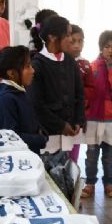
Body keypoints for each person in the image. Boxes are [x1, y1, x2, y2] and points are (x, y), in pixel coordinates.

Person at [80, 30, 112, 199]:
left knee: (109, 156)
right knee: (92, 154)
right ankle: (90, 183)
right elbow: (86, 91)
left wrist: (111, 69)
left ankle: (109, 183)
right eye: (107, 46)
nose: (110, 50)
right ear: (101, 48)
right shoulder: (91, 67)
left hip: (111, 119)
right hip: (93, 117)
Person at [29, 15, 85, 154]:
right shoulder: (37, 65)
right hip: (48, 134)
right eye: (67, 35)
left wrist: (78, 120)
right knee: (51, 171)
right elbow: (37, 104)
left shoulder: (70, 61)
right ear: (52, 37)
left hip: (70, 131)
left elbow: (79, 93)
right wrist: (61, 125)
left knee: (69, 168)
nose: (71, 39)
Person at [0, 46, 47, 154]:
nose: (33, 70)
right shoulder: (5, 100)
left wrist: (40, 130)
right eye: (28, 66)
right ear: (11, 73)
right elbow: (8, 139)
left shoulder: (18, 92)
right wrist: (39, 139)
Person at [66, 24, 91, 163]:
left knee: (75, 147)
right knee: (61, 150)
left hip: (79, 114)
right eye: (73, 41)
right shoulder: (60, 62)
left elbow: (90, 88)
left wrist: (79, 96)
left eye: (80, 41)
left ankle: (72, 173)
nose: (77, 45)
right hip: (63, 116)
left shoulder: (85, 64)